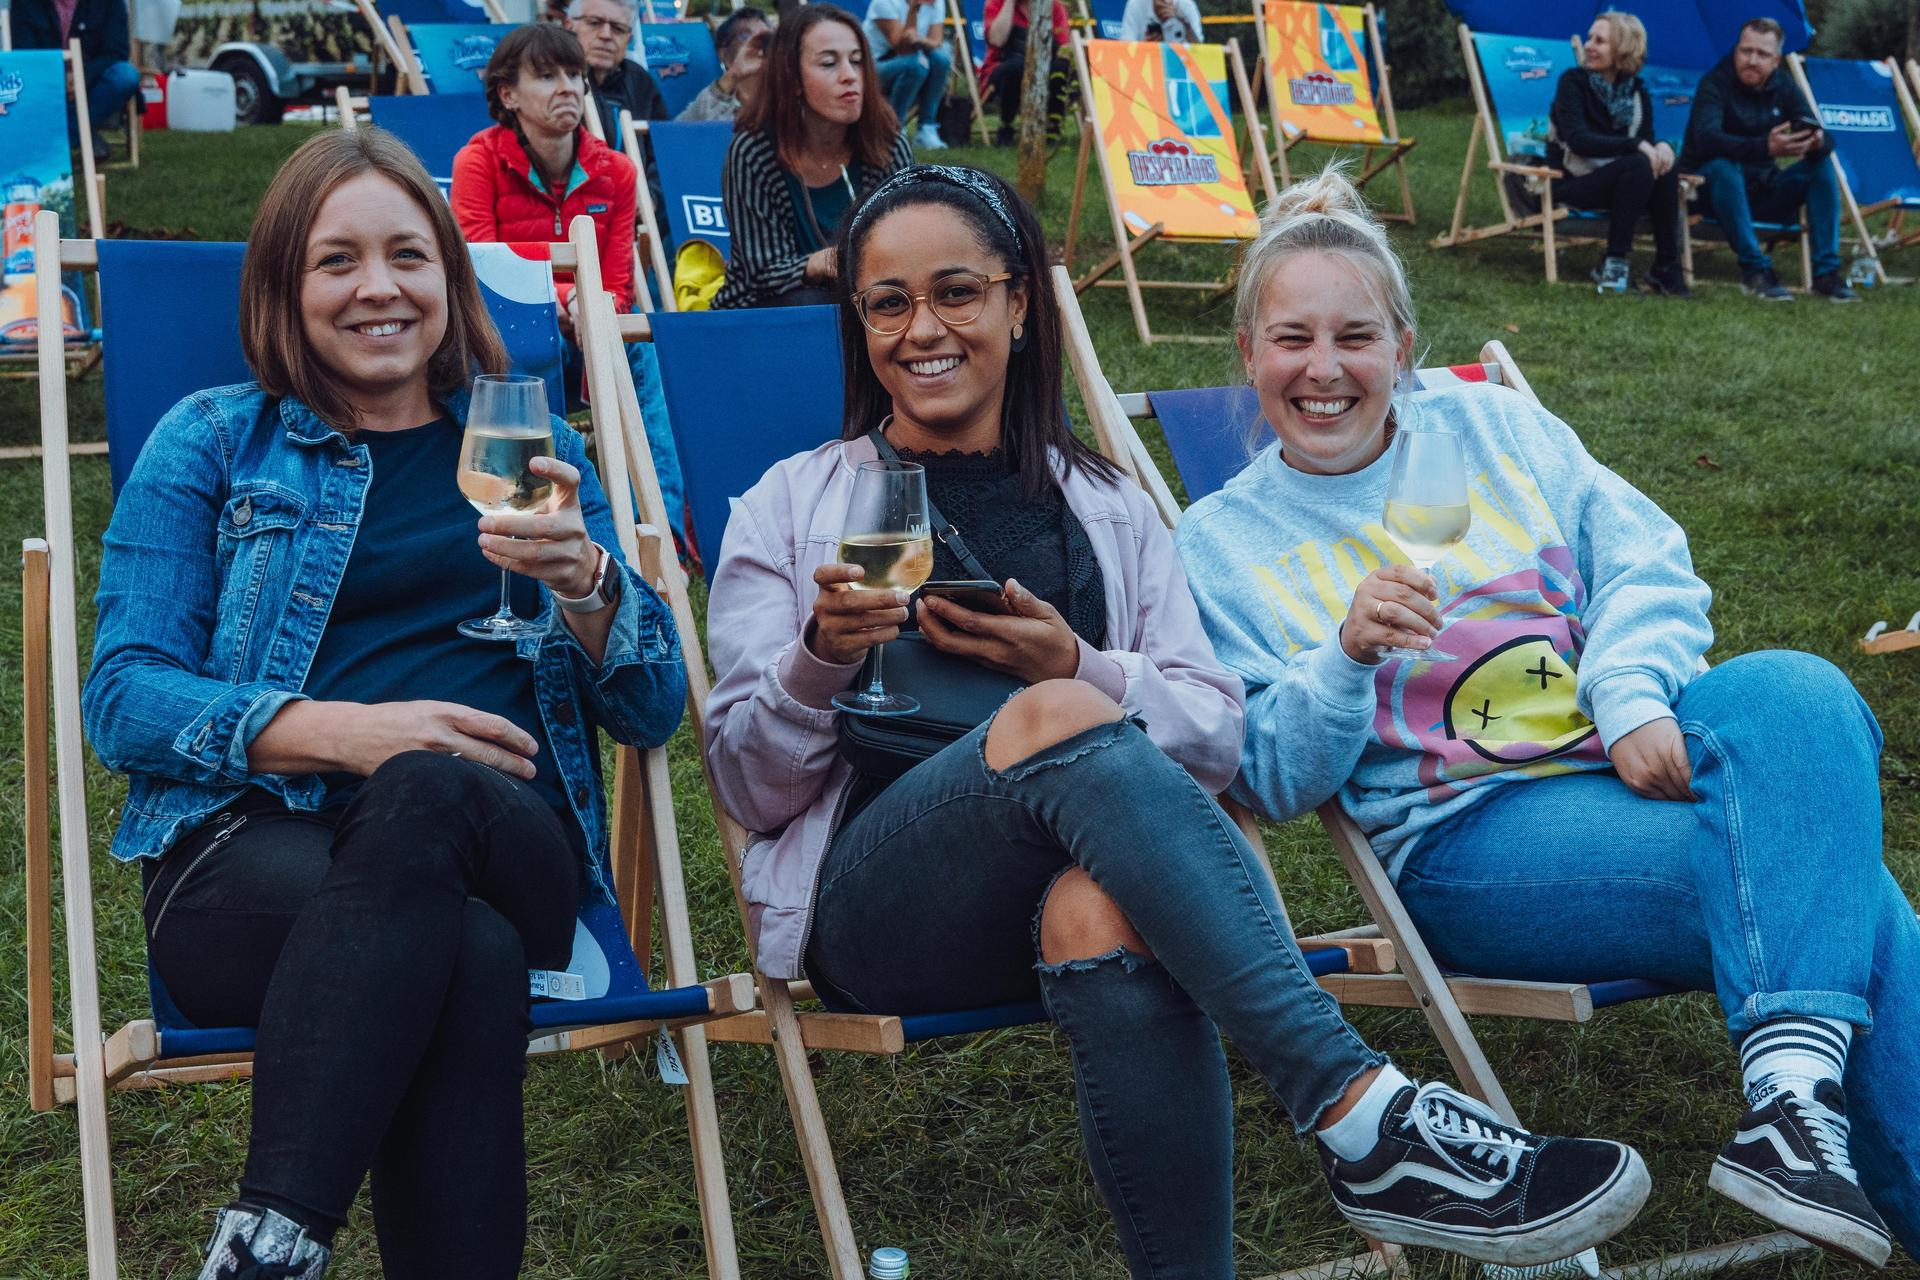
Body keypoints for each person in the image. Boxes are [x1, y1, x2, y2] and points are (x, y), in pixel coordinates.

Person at [705, 162, 1653, 1280]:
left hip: (1102, 883)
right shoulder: (790, 504)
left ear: (1019, 302)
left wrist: (1084, 663)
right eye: (888, 302)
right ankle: (1360, 1111)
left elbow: (1218, 737)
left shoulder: (1107, 504)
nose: (923, 329)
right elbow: (744, 786)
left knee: (1101, 891)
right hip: (885, 907)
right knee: (1058, 714)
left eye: (957, 291)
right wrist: (820, 660)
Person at [1176, 166, 1917, 1273]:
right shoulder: (1221, 540)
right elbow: (1269, 774)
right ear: (1248, 354)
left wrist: (1623, 698)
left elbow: (1648, 559)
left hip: (1623, 758)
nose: (1323, 370)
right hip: (1473, 836)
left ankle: (1791, 1102)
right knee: (1842, 882)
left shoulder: (1489, 425)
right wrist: (1342, 656)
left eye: (1356, 337)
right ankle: (1793, 1108)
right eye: (1291, 339)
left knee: (1799, 688)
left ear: (1405, 346)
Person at [83, 127, 685, 1278]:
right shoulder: (213, 440)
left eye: (407, 255)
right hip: (251, 858)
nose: (378, 288)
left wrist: (592, 586)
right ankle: (281, 1239)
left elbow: (652, 707)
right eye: (336, 261)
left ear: (447, 279)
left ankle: (267, 1241)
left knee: (430, 793)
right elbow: (123, 693)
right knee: (462, 947)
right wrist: (348, 734)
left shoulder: (536, 449)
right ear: (283, 287)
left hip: (510, 839)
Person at [451, 23, 687, 545]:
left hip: (589, 328)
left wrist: (594, 306)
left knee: (644, 353)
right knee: (508, 345)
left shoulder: (618, 173)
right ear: (507, 93)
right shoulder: (478, 163)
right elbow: (477, 270)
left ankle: (655, 533)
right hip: (506, 330)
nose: (568, 87)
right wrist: (568, 297)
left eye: (575, 74)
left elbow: (619, 283)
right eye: (547, 75)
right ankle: (521, 521)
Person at [713, 5, 912, 309]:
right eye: (829, 63)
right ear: (791, 79)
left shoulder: (885, 144)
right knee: (811, 302)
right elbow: (761, 273)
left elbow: (904, 245)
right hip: (762, 314)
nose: (849, 76)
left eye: (857, 62)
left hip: (868, 307)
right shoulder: (753, 152)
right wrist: (822, 262)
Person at [1680, 17, 1853, 302]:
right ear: (1736, 50)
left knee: (1821, 166)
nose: (1752, 60)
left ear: (1776, 61)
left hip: (1762, 193)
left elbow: (1819, 131)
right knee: (1724, 166)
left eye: (1762, 55)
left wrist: (1815, 141)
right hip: (1711, 194)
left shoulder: (1782, 85)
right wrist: (1765, 148)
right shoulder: (1715, 84)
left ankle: (1826, 274)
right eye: (1746, 51)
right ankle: (1755, 270)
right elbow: (1707, 139)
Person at [1549, 11, 1687, 297]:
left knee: (1664, 165)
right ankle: (1614, 263)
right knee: (1638, 163)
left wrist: (1661, 147)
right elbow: (1578, 141)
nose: (1589, 46)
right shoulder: (1573, 82)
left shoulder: (1636, 91)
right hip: (1574, 180)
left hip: (1624, 183)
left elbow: (1645, 141)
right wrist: (1636, 145)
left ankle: (1666, 265)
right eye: (1589, 38)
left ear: (1622, 49)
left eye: (1599, 41)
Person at [566, 0, 668, 215]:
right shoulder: (551, 81)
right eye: (594, 23)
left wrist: (651, 196)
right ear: (569, 26)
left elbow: (662, 150)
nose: (605, 35)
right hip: (571, 210)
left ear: (628, 39)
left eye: (618, 28)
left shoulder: (640, 81)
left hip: (637, 213)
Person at [12, 0, 140, 162]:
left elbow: (116, 51)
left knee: (125, 76)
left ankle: (52, 144)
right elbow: (24, 56)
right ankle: (78, 137)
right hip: (43, 86)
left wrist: (80, 78)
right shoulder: (24, 3)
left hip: (93, 87)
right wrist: (58, 81)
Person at [861, 0, 952, 149]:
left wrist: (919, 40)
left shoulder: (938, 2)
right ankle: (894, 128)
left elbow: (936, 41)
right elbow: (903, 48)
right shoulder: (883, 3)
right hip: (875, 68)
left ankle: (926, 128)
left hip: (914, 57)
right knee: (916, 65)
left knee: (941, 59)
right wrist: (913, 9)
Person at [980, 0, 1070, 146]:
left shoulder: (1054, 7)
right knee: (1017, 67)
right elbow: (996, 40)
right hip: (1004, 66)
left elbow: (1064, 50)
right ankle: (1006, 125)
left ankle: (1053, 127)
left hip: (1044, 66)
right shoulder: (997, 3)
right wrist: (1010, 3)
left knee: (1062, 67)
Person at [678, 6, 772, 122]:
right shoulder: (710, 105)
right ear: (723, 54)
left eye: (765, 38)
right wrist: (732, 76)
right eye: (745, 36)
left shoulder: (785, 97)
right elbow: (678, 133)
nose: (756, 43)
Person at [1119, 0, 1202, 44]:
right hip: (1146, 66)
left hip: (1179, 65)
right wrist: (1144, 47)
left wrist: (1184, 25)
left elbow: (1200, 50)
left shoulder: (1186, 6)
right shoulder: (1135, 5)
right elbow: (1125, 49)